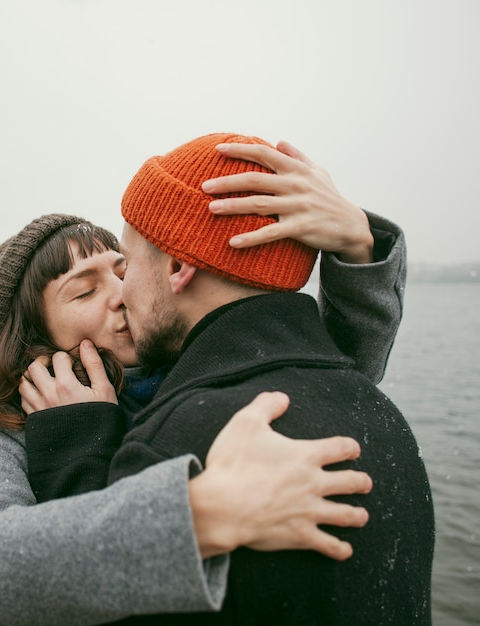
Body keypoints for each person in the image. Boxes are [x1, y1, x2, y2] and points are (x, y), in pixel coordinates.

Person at [0, 137, 403, 626]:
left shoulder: (189, 359)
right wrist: (194, 517)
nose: (120, 293)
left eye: (123, 268)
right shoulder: (4, 424)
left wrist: (358, 248)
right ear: (34, 338)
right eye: (85, 290)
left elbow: (330, 381)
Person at [71, 131, 430, 624]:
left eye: (128, 265)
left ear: (178, 265)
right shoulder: (383, 418)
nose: (120, 294)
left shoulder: (175, 449)